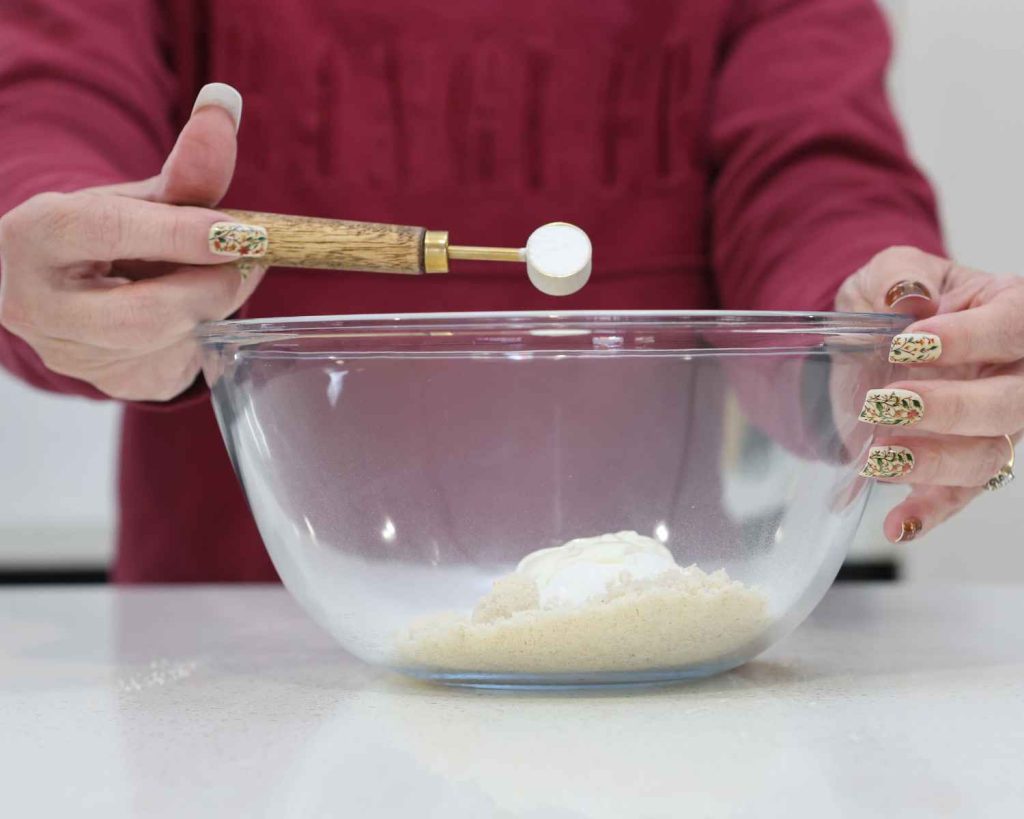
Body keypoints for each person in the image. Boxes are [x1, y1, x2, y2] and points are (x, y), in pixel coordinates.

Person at [0, 0, 1020, 582]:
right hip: (236, 654)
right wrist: (68, 236)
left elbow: (810, 168)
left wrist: (857, 337)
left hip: (652, 651)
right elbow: (51, 86)